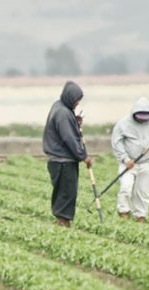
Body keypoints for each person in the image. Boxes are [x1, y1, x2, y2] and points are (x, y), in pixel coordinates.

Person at [42, 81, 92, 227]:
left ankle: (61, 222)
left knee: (62, 193)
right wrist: (83, 156)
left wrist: (75, 122)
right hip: (63, 161)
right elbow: (69, 138)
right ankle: (63, 223)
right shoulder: (63, 113)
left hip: (57, 161)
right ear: (70, 97)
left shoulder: (59, 106)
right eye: (76, 100)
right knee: (66, 193)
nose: (77, 103)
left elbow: (66, 129)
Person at [111, 97, 149, 223]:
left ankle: (141, 216)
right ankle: (123, 212)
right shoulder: (123, 124)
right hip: (129, 164)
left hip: (146, 163)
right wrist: (125, 159)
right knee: (126, 187)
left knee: (144, 191)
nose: (142, 120)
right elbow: (116, 143)